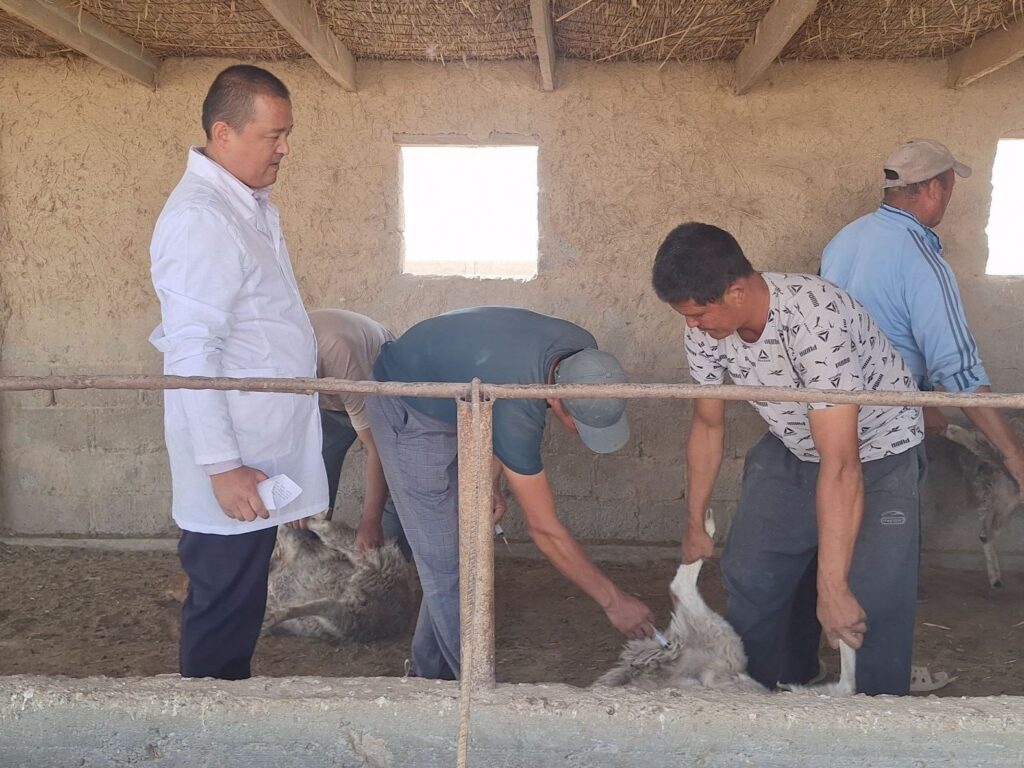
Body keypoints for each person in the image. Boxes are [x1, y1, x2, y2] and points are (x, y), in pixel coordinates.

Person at [653, 222, 925, 696]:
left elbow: (842, 464)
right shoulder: (704, 330)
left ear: (736, 292)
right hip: (794, 443)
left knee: (871, 597)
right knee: (752, 574)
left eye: (697, 313)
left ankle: (878, 716)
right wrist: (695, 522)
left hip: (878, 450)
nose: (692, 325)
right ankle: (754, 696)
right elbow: (708, 424)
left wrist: (833, 587)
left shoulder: (815, 319)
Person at [149, 65, 328, 680]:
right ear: (223, 134)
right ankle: (206, 722)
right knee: (223, 606)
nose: (284, 148)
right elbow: (192, 351)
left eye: (287, 134)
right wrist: (223, 466)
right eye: (273, 135)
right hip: (233, 460)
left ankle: (222, 711)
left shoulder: (243, 206)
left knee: (240, 602)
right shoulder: (201, 218)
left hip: (258, 453)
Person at [368, 306, 655, 680]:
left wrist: (488, 481)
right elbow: (544, 529)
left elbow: (498, 404)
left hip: (453, 395)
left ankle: (428, 673)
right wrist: (613, 601)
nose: (575, 431)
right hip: (405, 401)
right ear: (555, 400)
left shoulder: (583, 354)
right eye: (578, 423)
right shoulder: (522, 401)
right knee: (446, 561)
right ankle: (477, 689)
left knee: (462, 549)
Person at [821, 139, 1024, 493]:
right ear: (933, 188)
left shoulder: (842, 240)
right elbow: (958, 371)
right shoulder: (921, 259)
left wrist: (922, 399)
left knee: (834, 518)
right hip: (885, 430)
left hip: (827, 420)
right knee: (884, 524)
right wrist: (1013, 453)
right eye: (949, 189)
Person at [309, 308, 409, 559]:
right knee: (313, 478)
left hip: (385, 390)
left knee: (400, 478)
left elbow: (378, 449)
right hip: (330, 399)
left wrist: (370, 521)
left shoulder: (336, 350)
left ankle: (389, 561)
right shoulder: (268, 361)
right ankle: (310, 558)